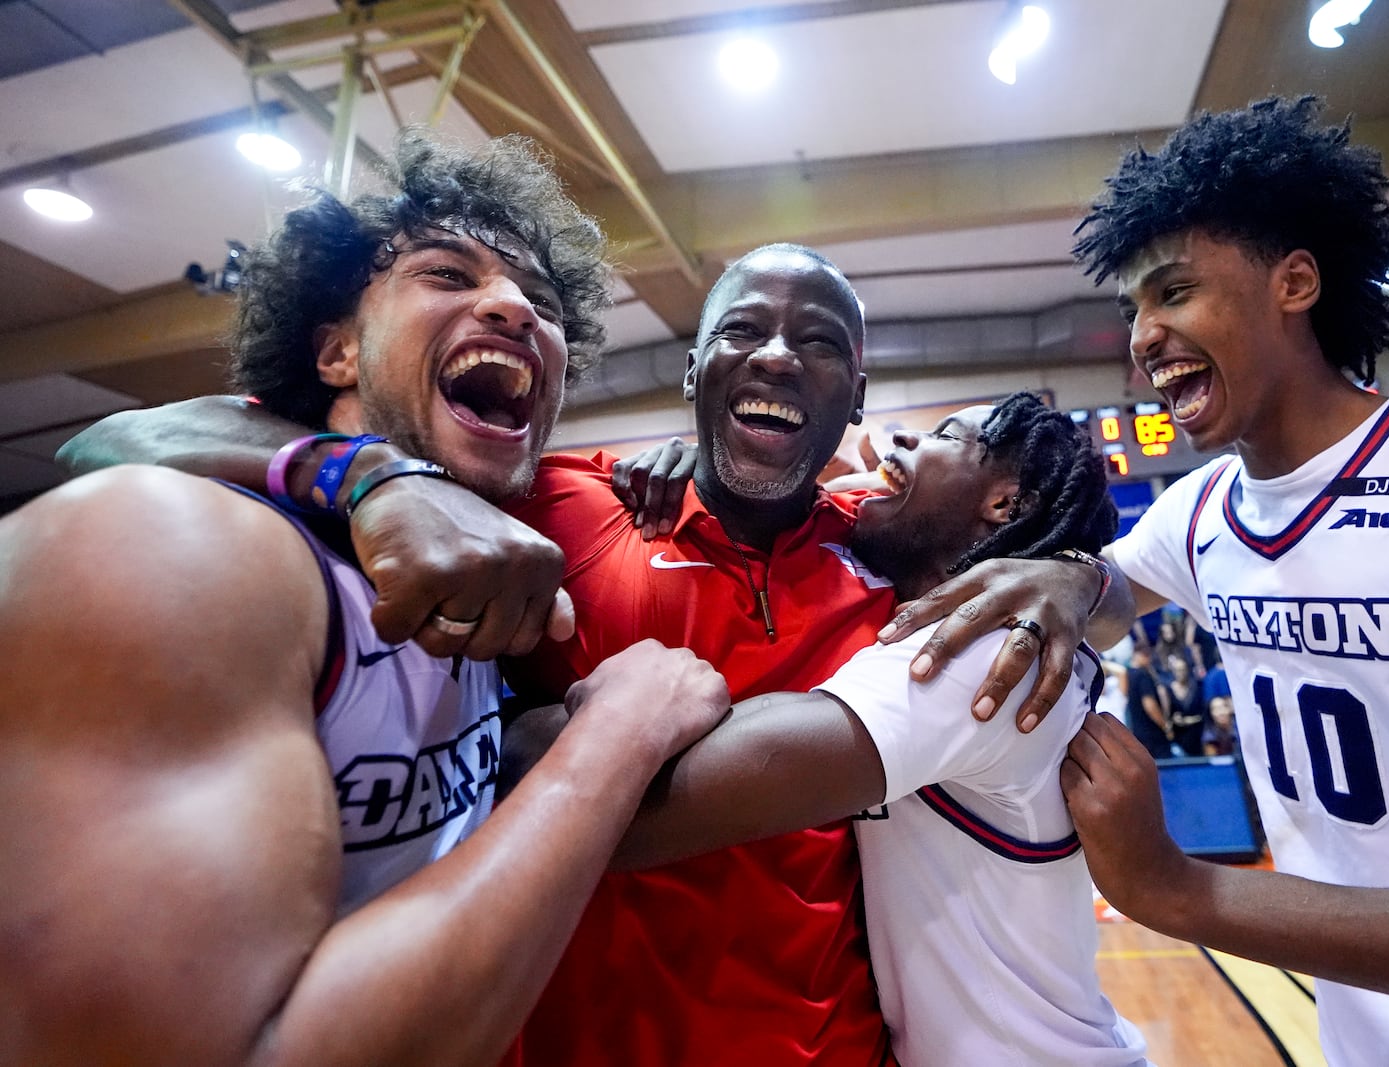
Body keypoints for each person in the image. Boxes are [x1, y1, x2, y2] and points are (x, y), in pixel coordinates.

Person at [61, 243, 1124, 1066]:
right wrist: (370, 475)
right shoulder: (559, 504)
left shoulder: (889, 558)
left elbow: (1080, 564)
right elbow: (117, 439)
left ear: (851, 393)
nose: (775, 354)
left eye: (820, 343)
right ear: (699, 367)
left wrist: (1074, 571)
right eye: (742, 328)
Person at [0, 130, 732, 1064]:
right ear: (338, 352)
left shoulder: (486, 558)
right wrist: (616, 737)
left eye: (541, 302)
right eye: (446, 275)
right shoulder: (177, 545)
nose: (512, 307)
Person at [1056, 95, 1389, 1063]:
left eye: (1173, 292)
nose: (1141, 336)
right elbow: (1100, 594)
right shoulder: (1205, 506)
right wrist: (1050, 586)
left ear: (1294, 282)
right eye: (1132, 307)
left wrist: (1182, 888)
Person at [507, 393, 1146, 1066]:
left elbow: (625, 815)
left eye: (941, 436)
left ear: (1004, 505)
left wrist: (504, 726)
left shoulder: (980, 662)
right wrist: (714, 473)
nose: (885, 449)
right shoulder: (1002, 623)